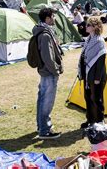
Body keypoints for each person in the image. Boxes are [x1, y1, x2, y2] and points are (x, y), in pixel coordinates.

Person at [33, 7, 64, 139]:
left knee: (42, 99)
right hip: (48, 72)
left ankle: (42, 126)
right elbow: (47, 57)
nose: (54, 18)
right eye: (53, 16)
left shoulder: (44, 31)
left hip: (45, 71)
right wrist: (55, 70)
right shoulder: (45, 35)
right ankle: (44, 130)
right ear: (48, 18)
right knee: (47, 101)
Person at [78, 17, 107, 127]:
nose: (86, 26)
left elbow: (101, 60)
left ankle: (99, 121)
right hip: (88, 73)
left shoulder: (99, 41)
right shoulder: (89, 39)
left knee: (97, 98)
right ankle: (90, 120)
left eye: (89, 25)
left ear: (95, 27)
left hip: (95, 75)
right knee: (88, 97)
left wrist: (97, 78)